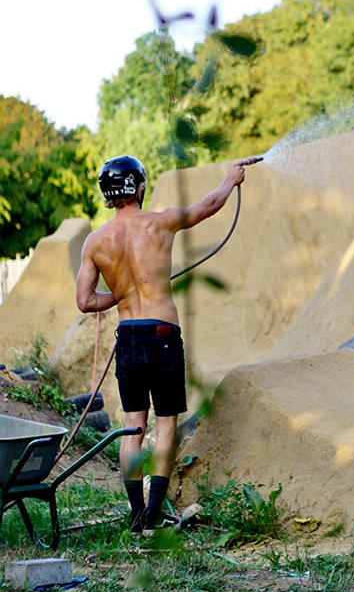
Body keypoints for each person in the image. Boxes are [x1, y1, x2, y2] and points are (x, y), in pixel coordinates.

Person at [75, 154, 246, 531]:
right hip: (163, 337)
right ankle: (153, 517)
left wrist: (119, 297)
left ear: (107, 194)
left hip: (129, 339)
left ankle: (135, 516)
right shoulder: (160, 222)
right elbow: (209, 206)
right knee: (166, 424)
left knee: (133, 426)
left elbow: (85, 302)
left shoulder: (95, 241)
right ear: (138, 187)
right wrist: (230, 179)